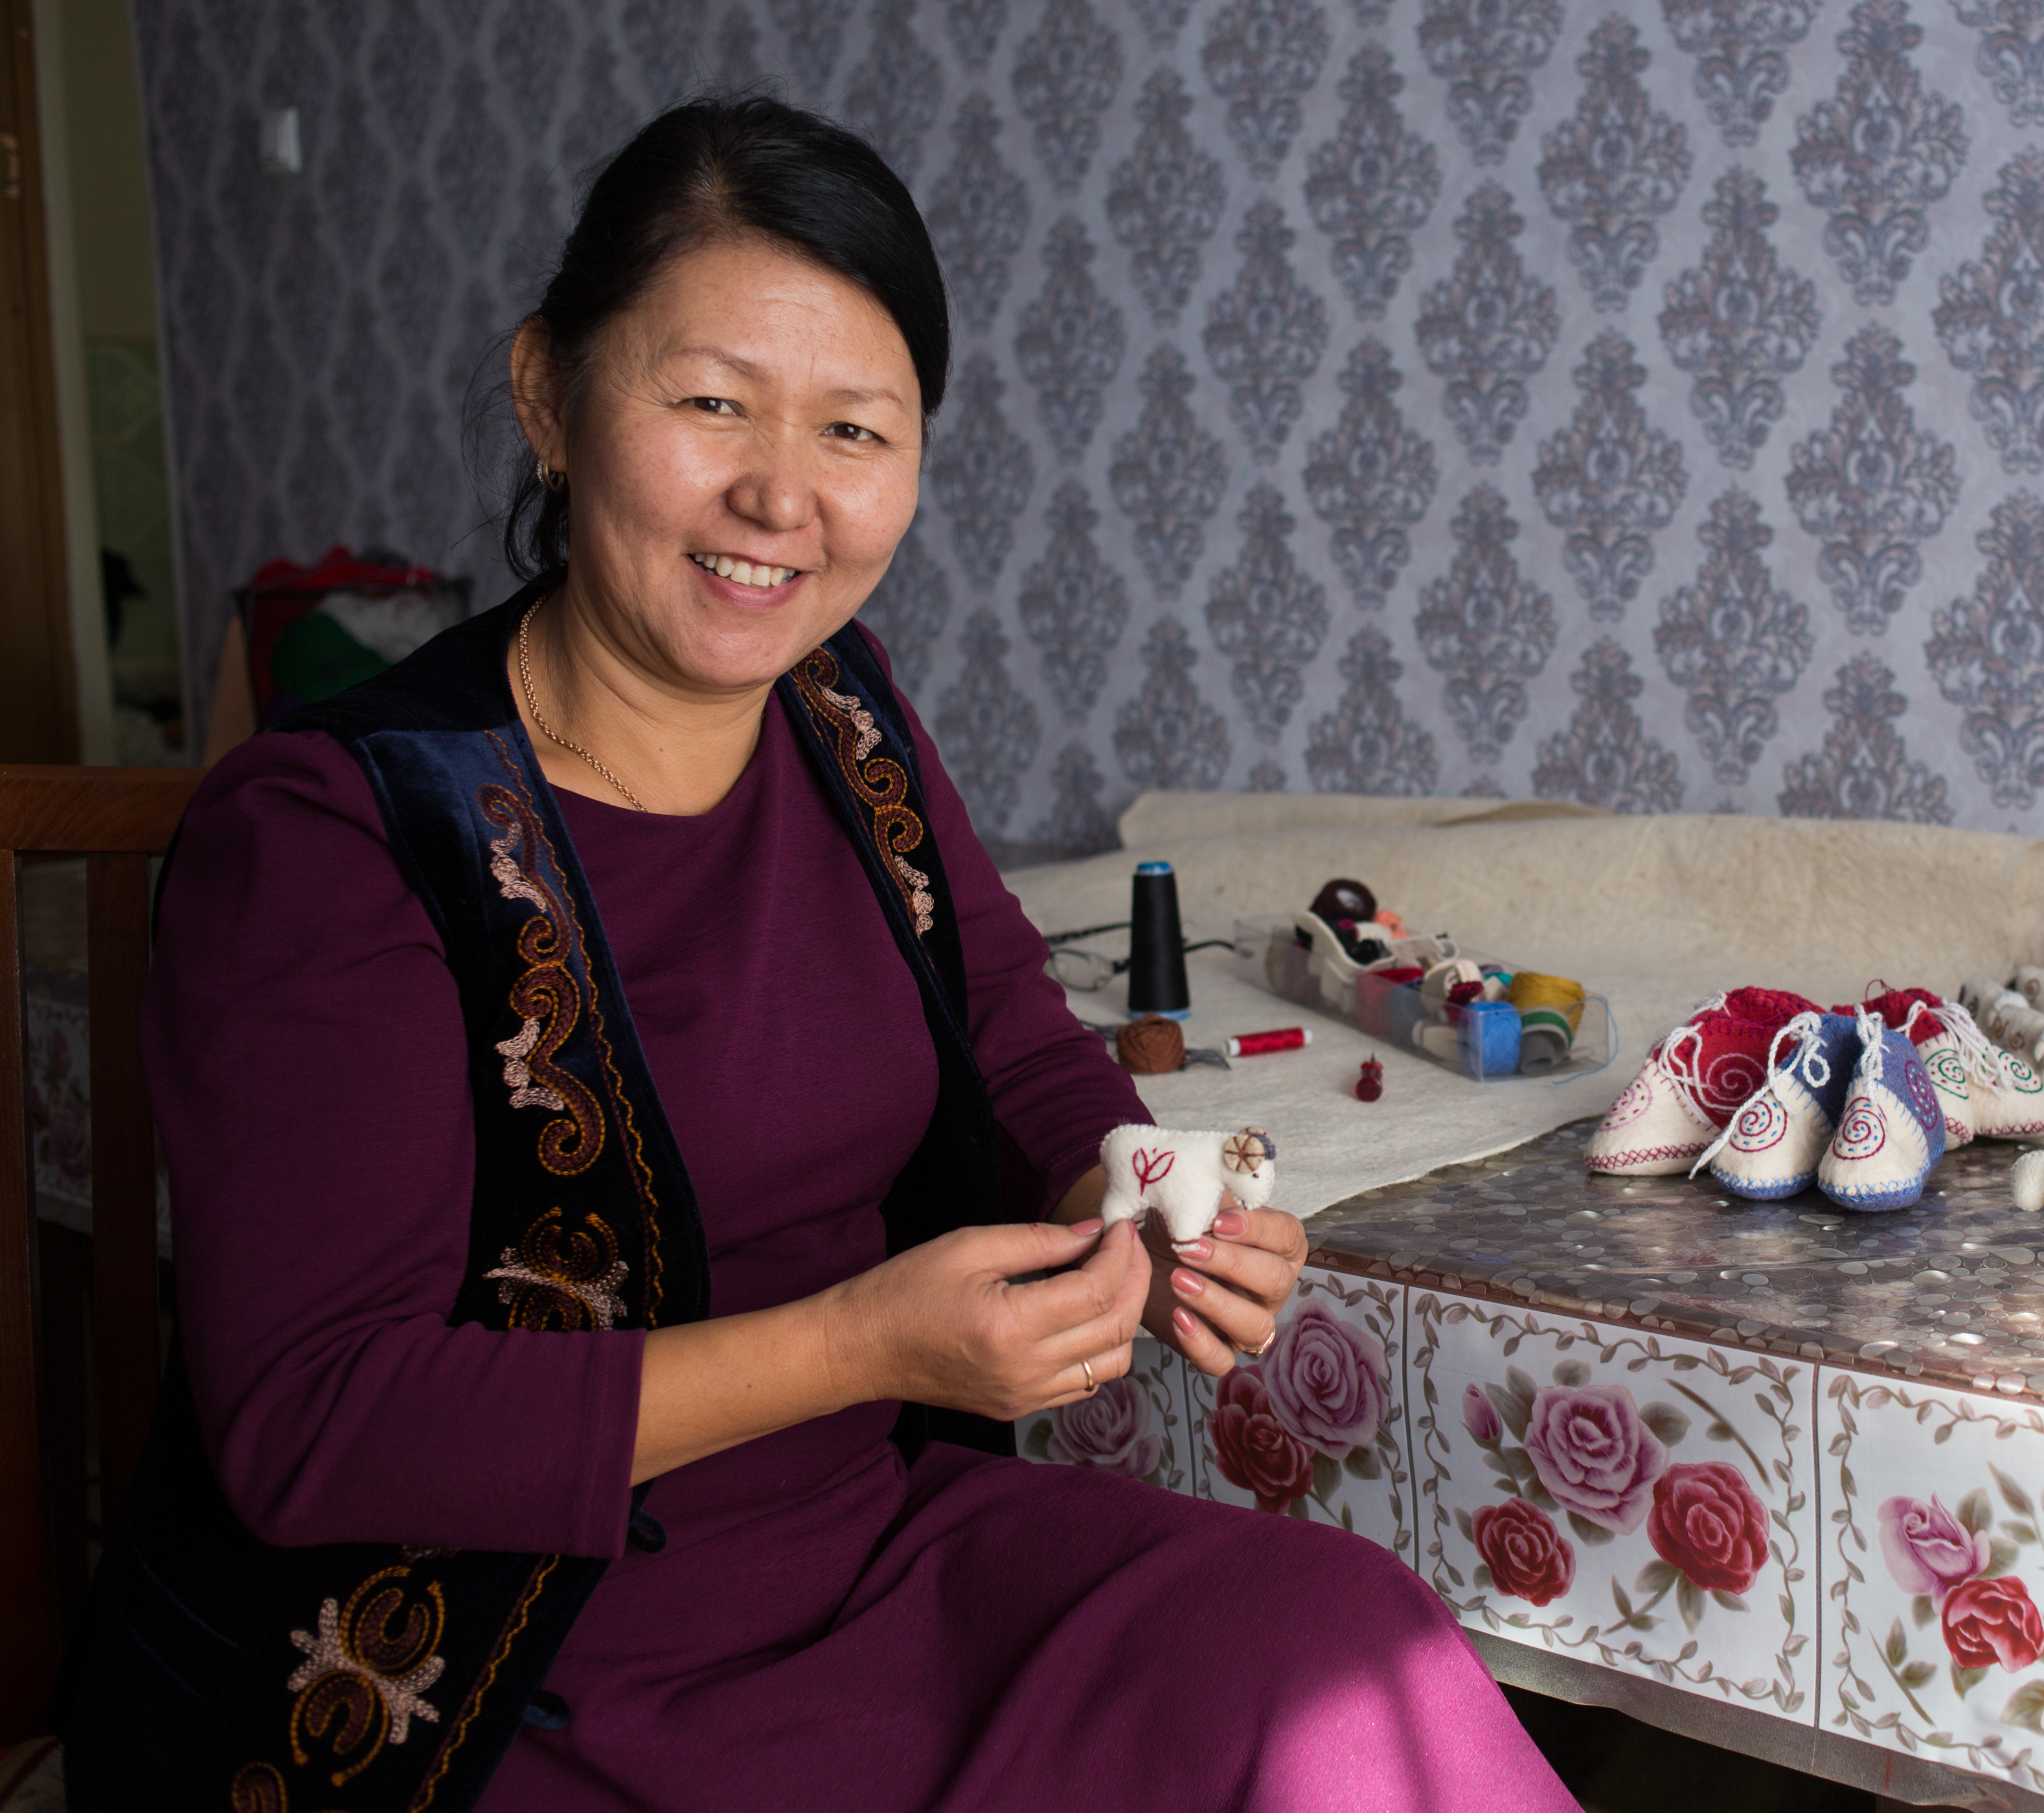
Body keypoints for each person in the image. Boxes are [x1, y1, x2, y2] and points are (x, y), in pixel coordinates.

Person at [62, 95, 1575, 1813]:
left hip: (866, 1560)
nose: (782, 494)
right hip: (480, 1668)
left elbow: (1006, 1015)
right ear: (549, 395)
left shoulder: (843, 717)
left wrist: (1127, 1179)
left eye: (857, 428)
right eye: (709, 403)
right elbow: (321, 1419)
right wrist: (862, 1348)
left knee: (1329, 1658)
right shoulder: (337, 834)